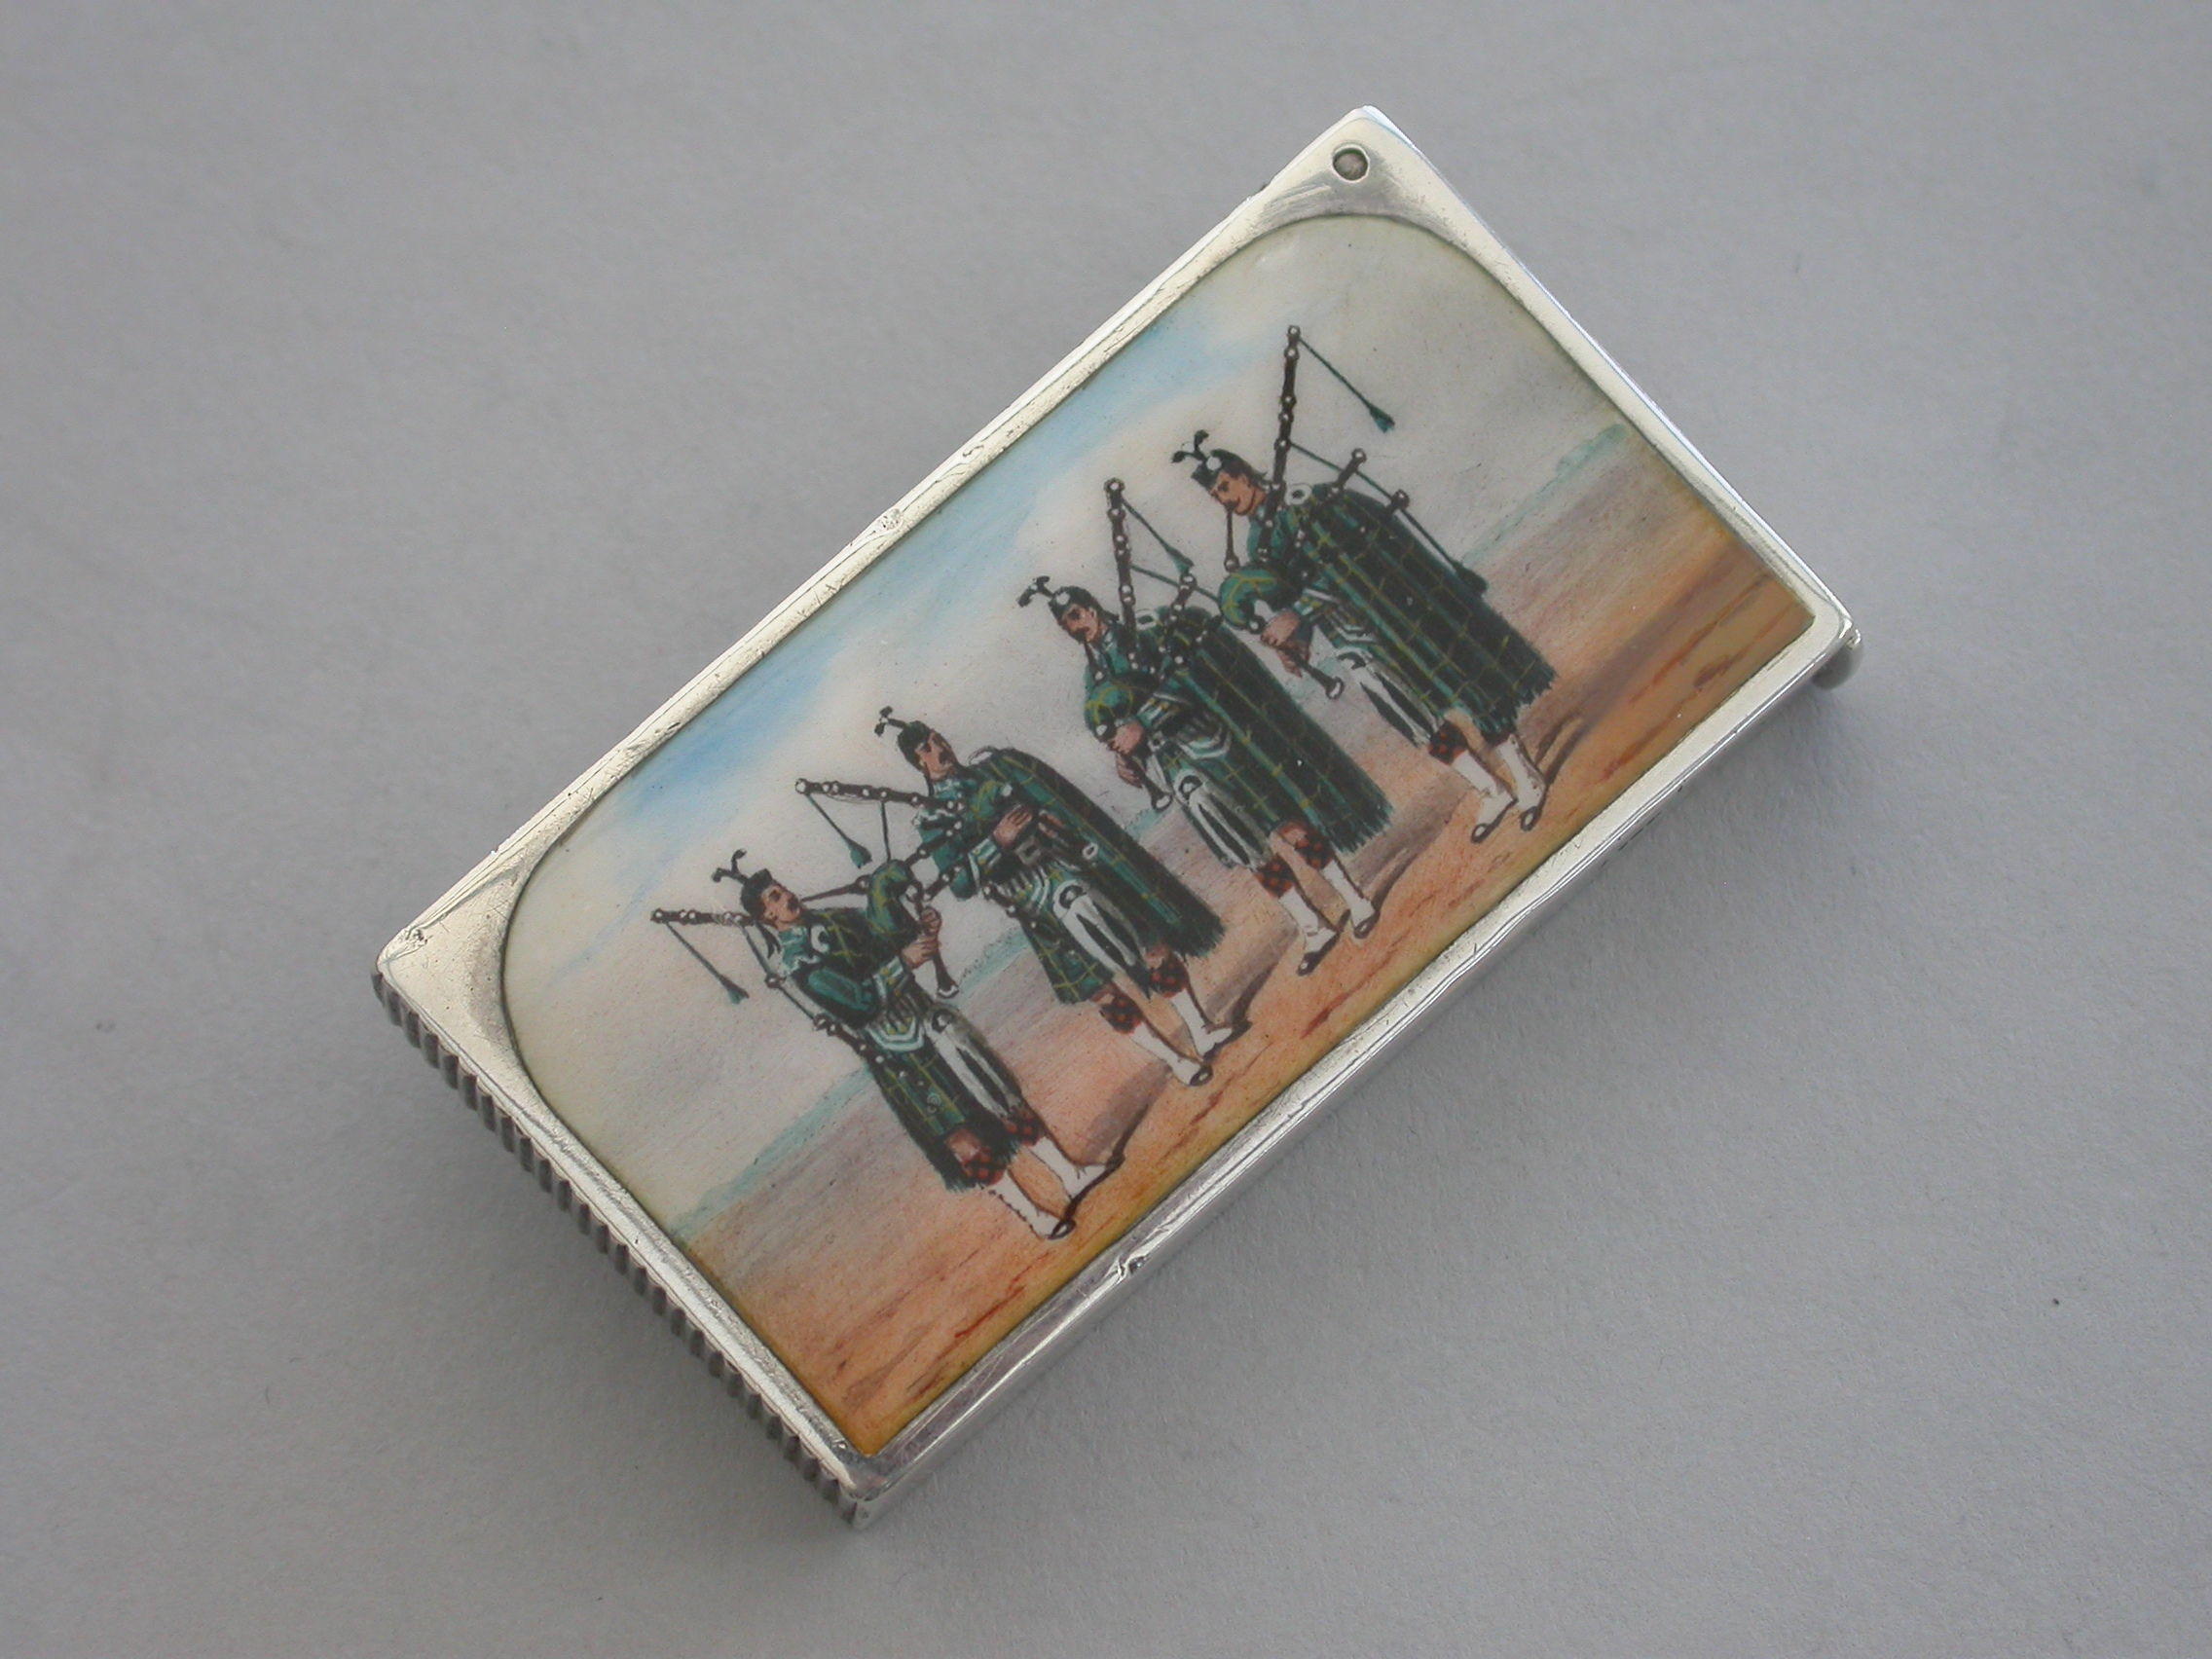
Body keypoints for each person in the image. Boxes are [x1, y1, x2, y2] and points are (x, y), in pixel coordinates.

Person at [1191, 438, 1555, 841]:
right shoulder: (1256, 541)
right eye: (1215, 496)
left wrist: (1298, 614)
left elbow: (1347, 563)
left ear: (1244, 476)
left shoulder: (1309, 504)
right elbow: (1288, 594)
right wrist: (1296, 644)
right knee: (1406, 711)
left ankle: (1526, 777)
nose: (1224, 500)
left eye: (1225, 487)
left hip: (1393, 614)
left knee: (1464, 686)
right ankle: (1490, 789)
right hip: (1351, 638)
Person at [1028, 579, 1389, 975]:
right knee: (1245, 848)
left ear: (1092, 607)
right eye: (1066, 624)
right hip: (1175, 766)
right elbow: (1115, 726)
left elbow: (1187, 679)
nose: (1074, 627)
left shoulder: (1147, 627)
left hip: (1213, 741)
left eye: (1075, 615)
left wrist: (1143, 724)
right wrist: (1125, 761)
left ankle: (1354, 899)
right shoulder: (1094, 677)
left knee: (1286, 823)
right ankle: (1312, 926)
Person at [738, 861, 1111, 1238]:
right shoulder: (798, 963)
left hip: (928, 1018)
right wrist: (904, 962)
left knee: (999, 1092)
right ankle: (1036, 1218)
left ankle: (1069, 1174)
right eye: (775, 898)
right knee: (960, 1137)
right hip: (895, 1051)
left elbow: (883, 937)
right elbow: (859, 1004)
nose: (787, 897)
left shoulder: (836, 919)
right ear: (767, 916)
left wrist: (916, 927)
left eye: (782, 889)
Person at [887, 714, 1237, 1086]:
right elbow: (960, 884)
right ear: (918, 763)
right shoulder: (932, 821)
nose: (939, 748)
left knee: (1151, 946)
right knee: (1100, 990)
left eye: (938, 738)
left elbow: (1050, 802)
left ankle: (1201, 1029)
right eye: (927, 748)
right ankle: (1177, 1062)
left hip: (1068, 867)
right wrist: (998, 842)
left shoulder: (995, 767)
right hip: (1031, 902)